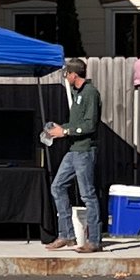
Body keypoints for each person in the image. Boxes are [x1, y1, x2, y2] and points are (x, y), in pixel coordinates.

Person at [42, 56, 103, 247]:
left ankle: (94, 240)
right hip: (73, 150)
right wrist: (60, 129)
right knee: (57, 187)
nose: (65, 77)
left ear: (74, 74)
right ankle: (67, 234)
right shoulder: (78, 94)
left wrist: (66, 132)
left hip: (84, 151)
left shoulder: (90, 93)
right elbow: (77, 123)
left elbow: (90, 125)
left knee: (87, 195)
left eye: (66, 74)